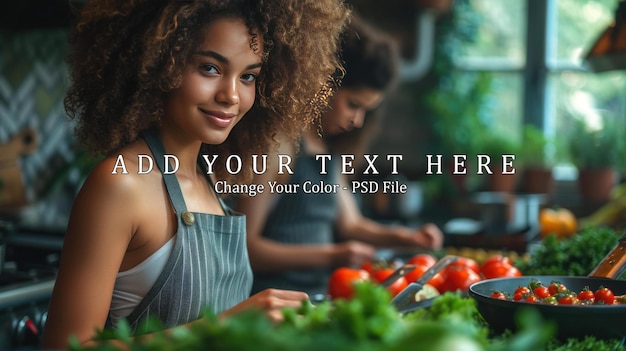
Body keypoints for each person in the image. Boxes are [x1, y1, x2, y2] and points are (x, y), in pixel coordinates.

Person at [42, 0, 350, 348]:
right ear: (158, 63)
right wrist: (222, 326)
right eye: (210, 68)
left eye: (248, 76)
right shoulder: (120, 185)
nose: (231, 96)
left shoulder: (210, 179)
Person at [235, 16, 444, 297]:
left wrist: (409, 237)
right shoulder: (279, 146)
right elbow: (246, 247)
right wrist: (333, 256)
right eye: (353, 104)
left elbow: (352, 224)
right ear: (323, 84)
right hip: (274, 303)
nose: (357, 120)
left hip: (319, 297)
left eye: (365, 111)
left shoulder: (326, 150)